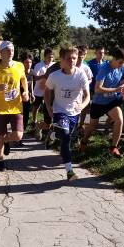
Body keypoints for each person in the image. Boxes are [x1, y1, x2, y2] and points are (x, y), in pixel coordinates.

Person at [44, 47, 91, 180]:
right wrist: (48, 106)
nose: (72, 61)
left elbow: (87, 95)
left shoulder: (81, 74)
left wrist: (82, 105)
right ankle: (69, 171)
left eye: (74, 58)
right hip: (59, 110)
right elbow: (46, 91)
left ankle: (53, 134)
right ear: (62, 60)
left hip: (74, 112)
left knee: (65, 135)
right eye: (68, 58)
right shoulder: (54, 76)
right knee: (65, 137)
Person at [80, 47, 124, 157]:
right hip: (99, 102)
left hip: (112, 101)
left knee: (119, 120)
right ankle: (83, 141)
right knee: (93, 126)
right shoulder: (104, 68)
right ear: (114, 59)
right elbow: (97, 89)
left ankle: (113, 148)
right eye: (120, 62)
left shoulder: (122, 68)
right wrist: (116, 89)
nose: (122, 65)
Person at [0, 41, 29, 171]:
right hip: (0, 109)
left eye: (12, 50)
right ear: (1, 52)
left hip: (16, 107)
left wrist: (26, 92)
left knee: (18, 135)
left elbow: (23, 79)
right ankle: (0, 160)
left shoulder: (19, 66)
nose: (11, 53)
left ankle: (5, 141)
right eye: (8, 50)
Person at [31, 48, 55, 140]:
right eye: (49, 57)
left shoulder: (54, 65)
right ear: (44, 56)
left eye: (52, 57)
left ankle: (46, 127)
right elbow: (35, 78)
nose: (50, 59)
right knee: (36, 107)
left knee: (47, 108)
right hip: (39, 90)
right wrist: (44, 76)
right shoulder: (39, 65)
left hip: (49, 91)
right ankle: (34, 121)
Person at [21, 52, 35, 133]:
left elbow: (31, 82)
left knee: (26, 113)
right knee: (19, 113)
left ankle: (23, 129)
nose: (28, 64)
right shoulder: (20, 72)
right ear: (23, 63)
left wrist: (32, 93)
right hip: (18, 96)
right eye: (26, 62)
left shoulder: (32, 72)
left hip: (27, 96)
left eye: (30, 62)